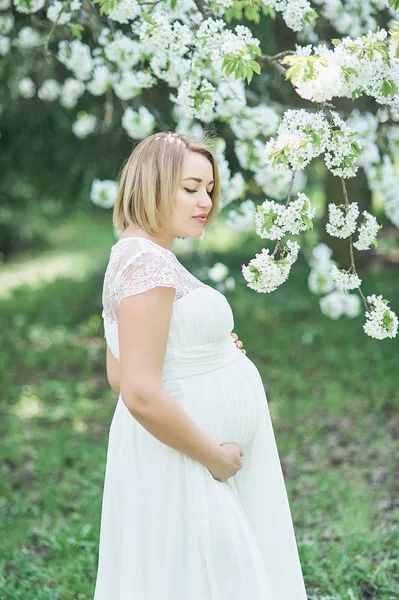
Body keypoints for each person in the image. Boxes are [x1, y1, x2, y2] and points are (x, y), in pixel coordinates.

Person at [94, 131, 308, 600]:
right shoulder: (143, 263)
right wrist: (213, 457)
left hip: (187, 452)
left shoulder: (136, 256)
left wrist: (214, 350)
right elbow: (138, 391)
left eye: (209, 189)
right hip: (192, 456)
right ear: (152, 184)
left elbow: (120, 372)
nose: (205, 201)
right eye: (190, 188)